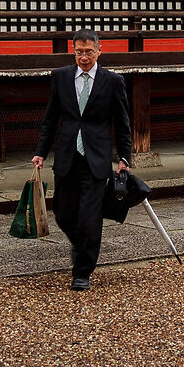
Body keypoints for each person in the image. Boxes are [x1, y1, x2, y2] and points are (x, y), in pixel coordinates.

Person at [30, 35, 133, 291]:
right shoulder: (61, 77)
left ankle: (82, 271)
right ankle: (82, 244)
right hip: (67, 156)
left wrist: (123, 158)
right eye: (79, 52)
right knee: (63, 214)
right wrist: (41, 152)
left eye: (88, 52)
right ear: (72, 51)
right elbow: (50, 118)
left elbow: (122, 124)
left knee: (90, 217)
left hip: (96, 158)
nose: (83, 57)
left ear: (100, 51)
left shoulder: (112, 81)